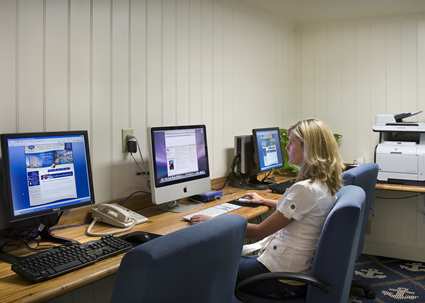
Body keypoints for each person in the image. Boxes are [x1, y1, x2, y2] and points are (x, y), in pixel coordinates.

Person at [190, 118, 344, 298]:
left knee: (208, 269)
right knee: (226, 259)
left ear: (307, 147)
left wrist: (215, 223)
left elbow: (258, 231)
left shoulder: (305, 189)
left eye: (292, 142)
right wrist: (266, 201)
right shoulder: (323, 184)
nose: (287, 148)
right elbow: (299, 212)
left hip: (280, 278)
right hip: (294, 269)